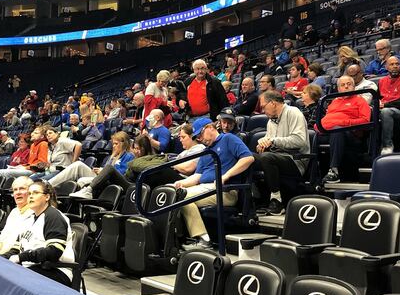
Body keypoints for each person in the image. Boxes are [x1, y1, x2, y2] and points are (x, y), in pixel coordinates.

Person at [174, 117, 254, 249]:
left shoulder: (228, 138)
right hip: (204, 187)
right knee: (172, 192)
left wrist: (226, 175)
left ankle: (204, 240)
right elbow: (197, 177)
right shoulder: (206, 151)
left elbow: (248, 158)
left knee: (181, 196)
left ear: (210, 127)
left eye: (200, 134)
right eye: (197, 137)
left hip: (225, 190)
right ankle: (181, 238)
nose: (200, 139)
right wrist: (179, 183)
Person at [2, 181, 75, 287]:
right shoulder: (28, 218)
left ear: (47, 197)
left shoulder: (53, 216)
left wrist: (22, 257)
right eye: (30, 194)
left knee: (11, 280)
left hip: (56, 271)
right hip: (32, 267)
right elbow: (16, 249)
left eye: (35, 193)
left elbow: (54, 251)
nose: (31, 196)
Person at [255, 91, 310, 214]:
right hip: (276, 157)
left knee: (267, 158)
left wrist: (273, 141)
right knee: (248, 158)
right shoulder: (271, 121)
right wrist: (262, 145)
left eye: (264, 106)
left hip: (295, 160)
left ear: (273, 103)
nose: (263, 110)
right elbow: (269, 142)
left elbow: (299, 141)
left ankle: (277, 200)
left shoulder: (293, 112)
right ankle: (254, 199)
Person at [73, 134, 167, 198]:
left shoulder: (149, 158)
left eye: (138, 148)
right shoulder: (136, 159)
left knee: (109, 169)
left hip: (133, 185)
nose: (135, 151)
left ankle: (88, 190)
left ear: (144, 148)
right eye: (134, 148)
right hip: (126, 180)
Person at [318, 76, 371, 183]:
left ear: (354, 86)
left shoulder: (360, 100)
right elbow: (329, 118)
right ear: (338, 88)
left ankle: (334, 171)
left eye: (349, 84)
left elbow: (365, 121)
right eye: (343, 85)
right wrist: (319, 125)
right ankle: (313, 174)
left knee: (337, 130)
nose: (346, 86)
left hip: (351, 134)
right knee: (310, 135)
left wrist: (343, 123)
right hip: (328, 131)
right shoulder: (334, 102)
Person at [49, 131, 134, 188]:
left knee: (82, 180)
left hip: (110, 182)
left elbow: (122, 176)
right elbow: (104, 169)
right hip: (101, 178)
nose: (113, 146)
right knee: (77, 164)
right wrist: (99, 170)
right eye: (113, 144)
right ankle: (48, 185)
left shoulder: (129, 156)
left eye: (116, 144)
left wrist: (103, 171)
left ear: (124, 144)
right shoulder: (112, 157)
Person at [0, 176, 34, 255]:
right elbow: (3, 236)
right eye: (15, 190)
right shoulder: (14, 212)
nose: (18, 192)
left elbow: (21, 245)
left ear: (31, 192)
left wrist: (0, 255)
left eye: (22, 188)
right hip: (1, 255)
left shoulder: (35, 214)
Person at [379, 56, 400, 154]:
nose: (395, 66)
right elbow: (378, 98)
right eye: (392, 64)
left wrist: (386, 105)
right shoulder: (381, 81)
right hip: (384, 108)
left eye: (397, 64)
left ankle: (387, 146)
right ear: (386, 67)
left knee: (386, 111)